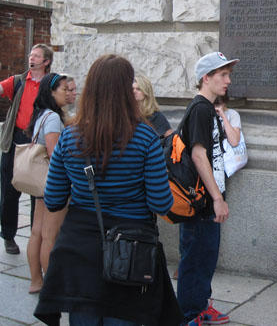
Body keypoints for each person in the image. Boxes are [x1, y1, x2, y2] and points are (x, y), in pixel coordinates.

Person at [33, 54, 181, 326]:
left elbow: (53, 199)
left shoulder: (69, 136)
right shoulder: (146, 137)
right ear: (126, 91)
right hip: (130, 250)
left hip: (80, 249)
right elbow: (161, 204)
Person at [178, 51, 239, 326]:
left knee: (204, 257)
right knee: (196, 259)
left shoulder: (206, 108)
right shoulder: (201, 109)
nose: (228, 81)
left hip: (206, 200)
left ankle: (199, 306)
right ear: (206, 77)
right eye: (222, 75)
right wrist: (217, 198)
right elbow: (198, 155)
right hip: (202, 202)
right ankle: (191, 315)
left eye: (228, 75)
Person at [0, 44, 53, 255]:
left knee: (37, 192)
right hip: (15, 139)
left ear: (46, 61)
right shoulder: (18, 81)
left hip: (39, 141)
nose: (31, 58)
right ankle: (8, 236)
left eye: (37, 56)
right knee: (9, 191)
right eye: (31, 55)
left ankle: (35, 236)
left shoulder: (52, 84)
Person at [25, 73, 69, 294]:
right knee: (49, 235)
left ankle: (36, 281)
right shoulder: (52, 118)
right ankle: (50, 287)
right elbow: (54, 154)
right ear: (52, 92)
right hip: (51, 183)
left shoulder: (42, 113)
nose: (68, 93)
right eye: (64, 89)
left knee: (37, 232)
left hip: (39, 182)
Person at [133, 73, 173, 138]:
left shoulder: (157, 116)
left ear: (146, 92)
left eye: (138, 89)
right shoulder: (127, 113)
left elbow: (171, 139)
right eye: (132, 89)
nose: (134, 91)